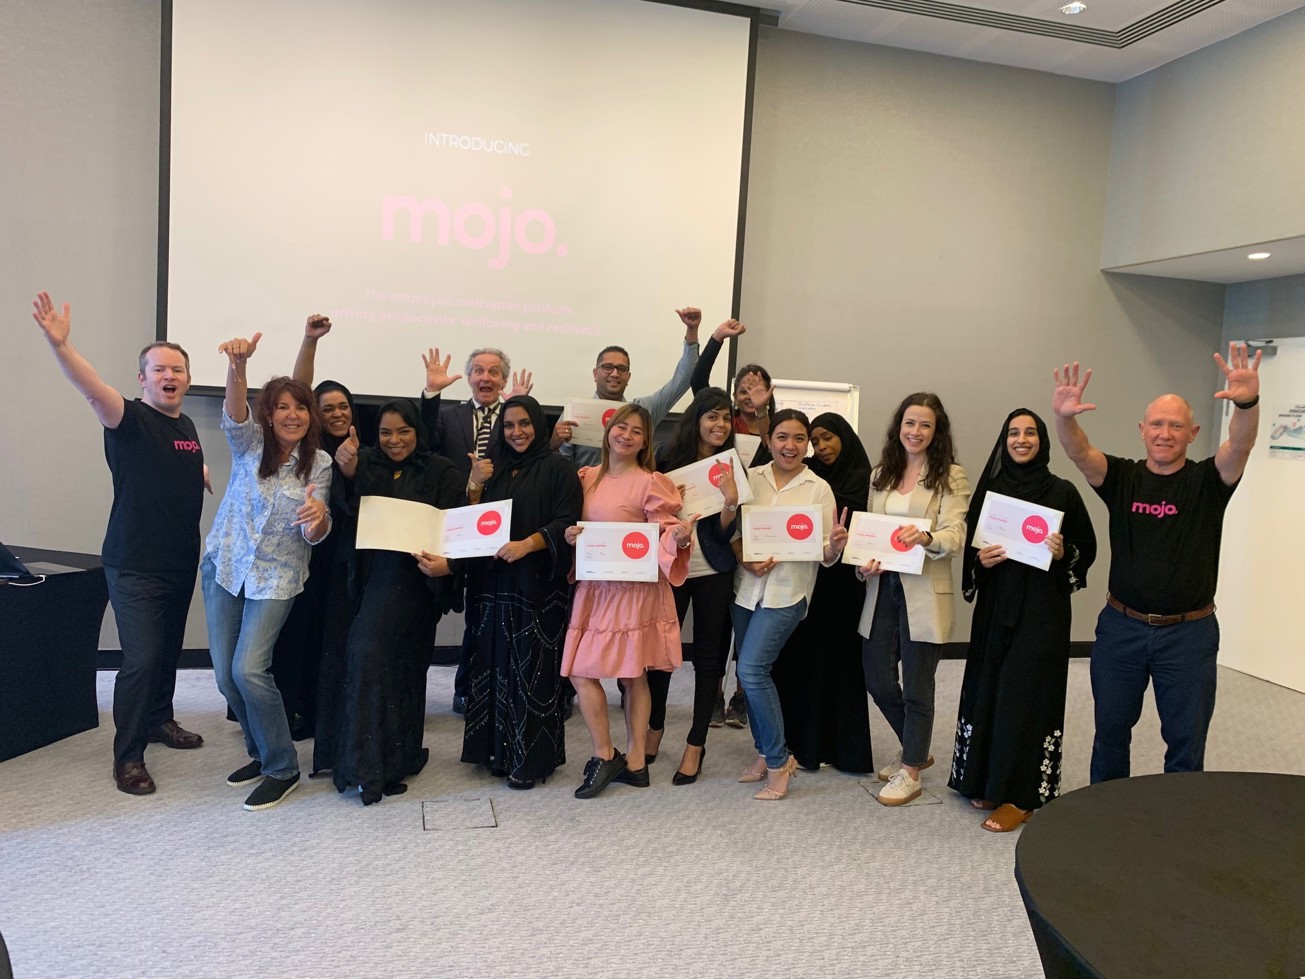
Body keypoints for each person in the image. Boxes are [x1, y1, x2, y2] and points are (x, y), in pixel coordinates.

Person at [1052, 345, 1261, 782]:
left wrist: (1246, 404)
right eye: (1157, 424)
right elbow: (1080, 452)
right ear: (1142, 430)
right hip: (1121, 629)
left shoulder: (1209, 480)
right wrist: (1065, 418)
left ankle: (1176, 819)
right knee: (1110, 734)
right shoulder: (1122, 477)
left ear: (1192, 432)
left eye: (1176, 426)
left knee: (1185, 741)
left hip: (1188, 635)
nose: (1165, 433)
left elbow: (1240, 444)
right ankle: (1109, 812)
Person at [30, 292, 208, 796]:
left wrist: (199, 469)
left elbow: (173, 461)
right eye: (159, 369)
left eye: (177, 369)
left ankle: (159, 719)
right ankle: (128, 756)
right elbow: (91, 389)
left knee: (166, 651)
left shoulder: (187, 424)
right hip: (135, 564)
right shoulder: (127, 417)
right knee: (142, 658)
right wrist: (61, 346)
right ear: (142, 379)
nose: (169, 375)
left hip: (179, 560)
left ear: (187, 379)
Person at [948, 409, 1097, 832]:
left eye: (1030, 432)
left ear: (1042, 440)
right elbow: (971, 553)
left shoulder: (1063, 492)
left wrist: (1062, 552)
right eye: (1013, 432)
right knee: (991, 688)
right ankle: (988, 781)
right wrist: (980, 560)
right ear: (1004, 440)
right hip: (996, 608)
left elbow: (1085, 549)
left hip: (1041, 612)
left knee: (1027, 695)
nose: (1021, 439)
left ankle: (1023, 796)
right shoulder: (992, 493)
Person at [202, 334, 332, 811]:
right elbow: (234, 412)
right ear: (270, 414)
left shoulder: (319, 463)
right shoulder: (250, 444)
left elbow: (317, 531)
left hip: (278, 575)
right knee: (224, 677)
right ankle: (260, 751)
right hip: (225, 565)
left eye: (300, 407)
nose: (292, 415)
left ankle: (281, 766)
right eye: (282, 407)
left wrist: (318, 519)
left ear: (310, 415)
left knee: (249, 669)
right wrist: (237, 368)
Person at [560, 404, 696, 799]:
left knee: (634, 675)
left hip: (633, 591)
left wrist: (679, 537)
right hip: (595, 588)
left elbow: (665, 529)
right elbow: (575, 524)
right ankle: (606, 753)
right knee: (580, 671)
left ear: (645, 442)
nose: (627, 435)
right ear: (608, 431)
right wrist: (570, 537)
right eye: (622, 427)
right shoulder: (586, 477)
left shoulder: (651, 482)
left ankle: (636, 762)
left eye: (638, 431)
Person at [333, 399, 465, 804]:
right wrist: (348, 472)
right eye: (386, 432)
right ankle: (370, 764)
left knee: (403, 668)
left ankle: (394, 759)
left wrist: (448, 566)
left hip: (416, 586)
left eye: (404, 431)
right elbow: (348, 510)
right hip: (370, 581)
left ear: (418, 432)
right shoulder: (367, 464)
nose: (394, 440)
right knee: (367, 659)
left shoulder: (441, 470)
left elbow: (457, 529)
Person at [459, 396, 584, 789]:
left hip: (537, 586)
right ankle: (494, 753)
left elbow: (567, 521)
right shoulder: (492, 468)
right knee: (493, 663)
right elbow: (473, 519)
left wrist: (527, 545)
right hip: (492, 584)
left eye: (525, 423)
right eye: (509, 425)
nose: (517, 432)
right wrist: (475, 484)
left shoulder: (558, 468)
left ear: (538, 425)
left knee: (531, 671)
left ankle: (529, 761)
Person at [858, 392, 970, 806]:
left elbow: (955, 534)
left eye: (925, 425)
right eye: (910, 423)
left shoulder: (951, 476)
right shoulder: (880, 474)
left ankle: (910, 771)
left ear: (936, 432)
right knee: (877, 677)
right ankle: (916, 748)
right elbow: (868, 533)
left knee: (918, 687)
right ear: (898, 427)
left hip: (924, 589)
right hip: (882, 587)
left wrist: (926, 537)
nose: (916, 431)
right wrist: (863, 566)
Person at [733, 409, 849, 801]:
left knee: (752, 670)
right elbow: (734, 533)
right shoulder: (751, 478)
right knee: (749, 673)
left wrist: (835, 546)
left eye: (800, 438)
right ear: (769, 441)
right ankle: (763, 752)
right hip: (746, 590)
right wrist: (743, 557)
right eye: (783, 437)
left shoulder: (818, 488)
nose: (791, 445)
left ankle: (779, 760)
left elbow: (824, 553)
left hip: (788, 594)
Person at [417, 346, 530, 715]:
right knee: (433, 604)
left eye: (494, 372)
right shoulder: (448, 416)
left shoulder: (513, 420)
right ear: (468, 378)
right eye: (479, 371)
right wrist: (431, 393)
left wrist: (523, 408)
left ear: (503, 380)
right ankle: (414, 692)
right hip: (451, 520)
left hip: (495, 524)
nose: (486, 377)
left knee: (482, 611)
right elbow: (423, 439)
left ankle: (469, 688)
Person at [771, 412, 875, 774]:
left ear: (845, 437)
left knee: (842, 664)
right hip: (809, 580)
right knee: (803, 662)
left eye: (827, 437)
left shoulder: (866, 479)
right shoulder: (809, 475)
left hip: (845, 585)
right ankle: (803, 744)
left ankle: (844, 749)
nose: (821, 446)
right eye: (814, 441)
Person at [648, 387, 741, 785]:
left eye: (726, 418)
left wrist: (730, 503)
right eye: (712, 416)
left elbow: (724, 536)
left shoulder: (733, 466)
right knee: (662, 655)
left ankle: (695, 744)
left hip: (714, 571)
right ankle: (654, 727)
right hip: (672, 568)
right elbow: (648, 515)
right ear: (696, 419)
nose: (720, 424)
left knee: (708, 659)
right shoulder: (667, 459)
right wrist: (670, 505)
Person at [270, 313, 352, 740]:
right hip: (300, 555)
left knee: (326, 638)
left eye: (343, 406)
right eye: (327, 407)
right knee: (292, 637)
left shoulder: (361, 446)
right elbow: (297, 388)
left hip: (338, 559)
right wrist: (310, 342)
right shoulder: (308, 447)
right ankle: (288, 713)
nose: (336, 413)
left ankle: (321, 713)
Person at [551, 308, 705, 466]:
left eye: (621, 369)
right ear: (595, 374)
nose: (615, 374)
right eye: (607, 367)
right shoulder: (575, 412)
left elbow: (683, 380)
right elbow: (561, 467)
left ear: (628, 377)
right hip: (585, 482)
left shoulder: (643, 410)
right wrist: (553, 445)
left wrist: (692, 331)